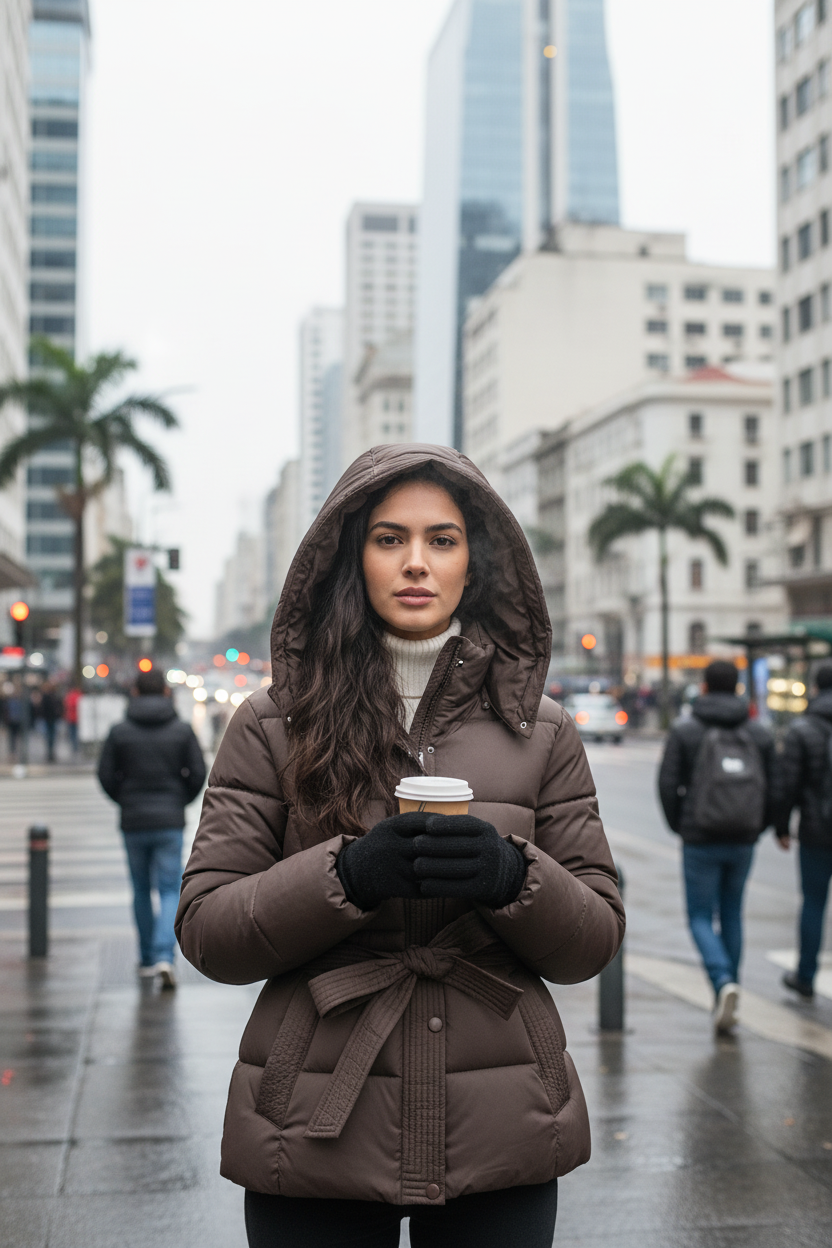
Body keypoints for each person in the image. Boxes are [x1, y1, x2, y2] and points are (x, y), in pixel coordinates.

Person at [176, 446, 624, 1248]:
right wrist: (344, 876)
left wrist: (512, 875)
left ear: (476, 563)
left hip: (502, 1124)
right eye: (389, 538)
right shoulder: (272, 722)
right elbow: (209, 930)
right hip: (313, 1123)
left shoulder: (544, 729)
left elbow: (592, 939)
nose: (416, 561)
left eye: (443, 540)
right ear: (352, 555)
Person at [658, 660, 775, 1034]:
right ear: (738, 687)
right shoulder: (757, 731)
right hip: (743, 838)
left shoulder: (686, 729)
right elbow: (777, 785)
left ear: (704, 687)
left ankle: (722, 982)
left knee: (698, 916)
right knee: (733, 913)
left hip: (700, 836)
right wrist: (760, 826)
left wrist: (681, 825)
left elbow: (667, 783)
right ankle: (729, 990)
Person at [98, 667, 206, 987]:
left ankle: (146, 957)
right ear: (165, 693)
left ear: (134, 693)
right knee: (171, 888)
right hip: (169, 820)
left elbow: (105, 775)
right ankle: (164, 955)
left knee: (141, 889)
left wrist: (125, 799)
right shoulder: (182, 730)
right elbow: (198, 774)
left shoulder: (119, 731)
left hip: (133, 821)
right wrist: (179, 800)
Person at [772, 663, 832, 999]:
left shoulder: (802, 730)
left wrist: (782, 827)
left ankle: (806, 976)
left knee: (813, 903)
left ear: (815, 688)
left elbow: (787, 786)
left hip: (817, 832)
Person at [36, 680, 63, 763]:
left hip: (52, 719)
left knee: (51, 737)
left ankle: (51, 752)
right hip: (48, 719)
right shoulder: (47, 696)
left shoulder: (52, 696)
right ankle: (50, 752)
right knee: (49, 737)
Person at [63, 684, 81, 754]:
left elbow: (66, 705)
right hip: (77, 718)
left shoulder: (69, 696)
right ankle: (76, 746)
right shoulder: (79, 695)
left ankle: (74, 746)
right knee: (76, 733)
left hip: (71, 718)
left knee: (72, 733)